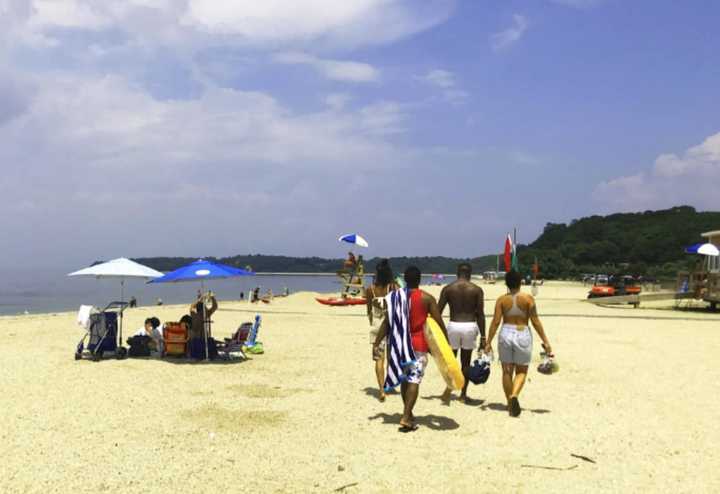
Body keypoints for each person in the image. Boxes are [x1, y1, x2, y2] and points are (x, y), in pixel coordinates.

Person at [373, 266, 447, 432]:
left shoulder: (394, 298)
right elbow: (439, 321)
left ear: (405, 279)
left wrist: (378, 342)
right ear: (419, 279)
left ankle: (408, 412)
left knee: (405, 379)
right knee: (414, 379)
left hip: (399, 345)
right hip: (418, 344)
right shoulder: (427, 299)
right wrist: (446, 343)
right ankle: (406, 416)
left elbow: (387, 322)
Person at [484, 270, 553, 417]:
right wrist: (545, 341)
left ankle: (510, 404)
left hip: (505, 333)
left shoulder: (501, 300)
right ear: (520, 282)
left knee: (506, 370)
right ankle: (514, 395)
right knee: (521, 371)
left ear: (507, 283)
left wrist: (488, 341)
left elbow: (496, 322)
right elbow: (535, 321)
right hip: (522, 333)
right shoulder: (528, 299)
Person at [438, 262, 485, 404]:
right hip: (470, 326)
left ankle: (449, 387)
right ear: (470, 273)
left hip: (453, 326)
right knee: (466, 362)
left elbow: (437, 311)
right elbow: (480, 315)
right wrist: (483, 336)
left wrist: (437, 332)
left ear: (457, 273)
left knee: (451, 360)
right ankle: (463, 395)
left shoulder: (448, 288)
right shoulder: (476, 290)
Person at [365, 259, 396, 402]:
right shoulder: (393, 288)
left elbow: (369, 311)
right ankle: (389, 385)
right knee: (391, 358)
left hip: (377, 325)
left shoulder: (370, 289)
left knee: (379, 359)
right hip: (391, 325)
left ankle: (381, 390)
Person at [189, 291, 218, 359]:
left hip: (195, 338)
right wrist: (212, 298)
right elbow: (215, 306)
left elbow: (192, 306)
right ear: (203, 308)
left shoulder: (193, 314)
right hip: (203, 337)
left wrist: (200, 299)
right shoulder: (206, 314)